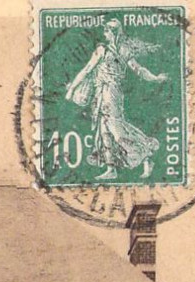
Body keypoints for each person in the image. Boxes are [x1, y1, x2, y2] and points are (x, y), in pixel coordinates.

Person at [65, 19, 168, 181]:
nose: (104, 34)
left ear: (113, 32)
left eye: (107, 31)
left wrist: (154, 78)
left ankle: (146, 153)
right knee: (104, 130)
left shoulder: (122, 50)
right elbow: (87, 69)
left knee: (117, 130)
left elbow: (138, 69)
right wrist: (72, 88)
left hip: (113, 93)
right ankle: (111, 168)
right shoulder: (102, 49)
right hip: (101, 93)